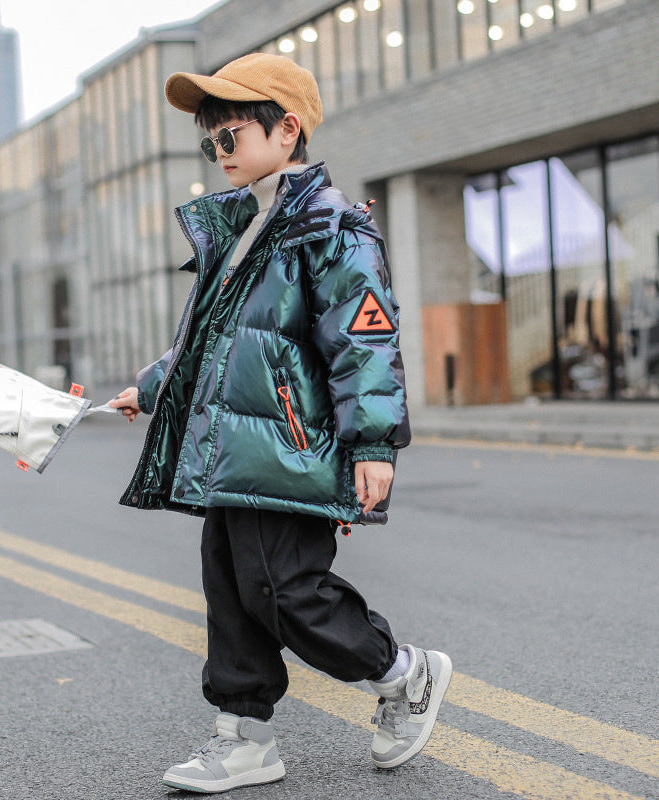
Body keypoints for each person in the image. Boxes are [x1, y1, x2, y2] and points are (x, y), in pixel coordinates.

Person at [110, 52, 451, 794]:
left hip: (294, 446)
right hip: (230, 447)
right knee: (230, 589)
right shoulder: (239, 227)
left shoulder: (332, 226)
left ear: (287, 127)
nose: (218, 154)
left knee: (284, 590)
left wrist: (372, 444)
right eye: (211, 143)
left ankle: (403, 672)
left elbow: (365, 343)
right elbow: (213, 340)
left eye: (228, 136)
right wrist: (150, 385)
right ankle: (243, 738)